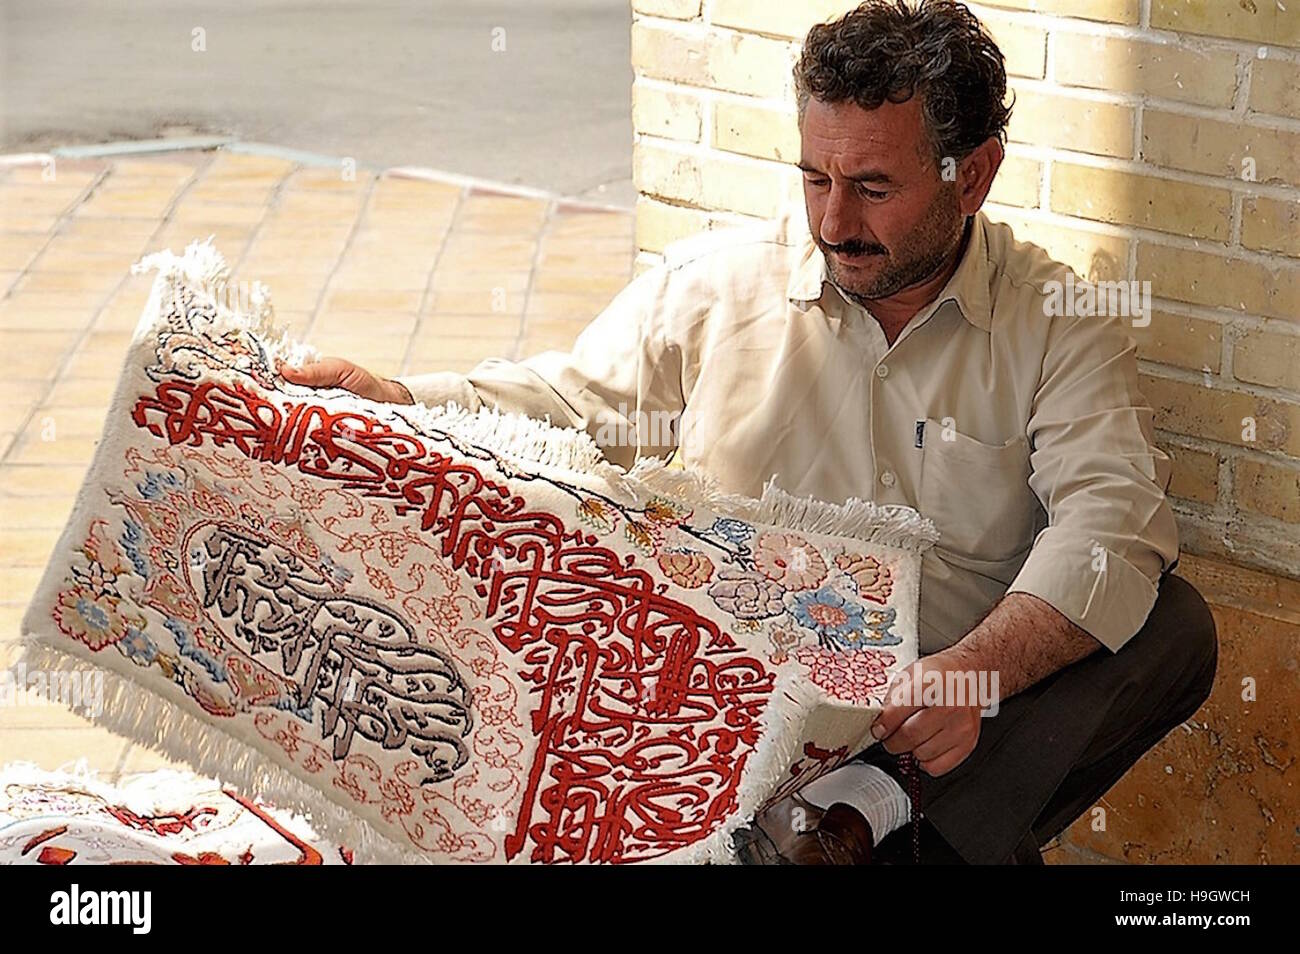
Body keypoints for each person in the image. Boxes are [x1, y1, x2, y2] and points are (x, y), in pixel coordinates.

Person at [282, 0, 1217, 864]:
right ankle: (873, 831)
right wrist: (398, 396)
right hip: (741, 720)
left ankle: (866, 814)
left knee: (1172, 627)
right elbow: (573, 409)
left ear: (971, 175)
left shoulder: (1059, 324)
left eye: (874, 187)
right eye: (815, 176)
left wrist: (972, 674)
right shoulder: (718, 286)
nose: (833, 221)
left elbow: (1110, 524)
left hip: (935, 719)